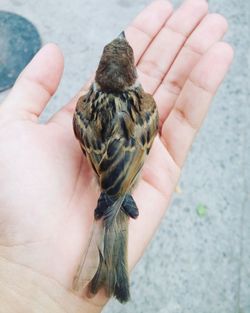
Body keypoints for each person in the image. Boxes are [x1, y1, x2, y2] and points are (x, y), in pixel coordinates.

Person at [0, 0, 233, 312]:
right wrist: (118, 193)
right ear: (133, 74)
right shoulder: (147, 107)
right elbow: (134, 153)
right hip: (122, 182)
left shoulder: (83, 110)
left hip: (111, 185)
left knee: (112, 214)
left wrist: (113, 193)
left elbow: (102, 160)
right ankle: (107, 271)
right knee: (114, 218)